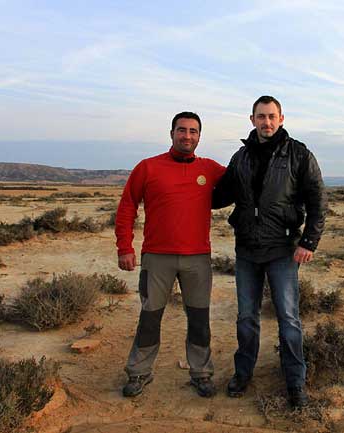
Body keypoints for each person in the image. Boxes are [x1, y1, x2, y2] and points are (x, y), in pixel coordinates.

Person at [213, 96, 326, 408]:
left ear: (281, 118)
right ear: (252, 119)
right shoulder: (241, 157)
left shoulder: (299, 155)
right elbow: (219, 195)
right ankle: (243, 373)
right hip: (247, 250)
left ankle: (295, 384)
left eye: (272, 116)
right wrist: (187, 185)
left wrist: (309, 242)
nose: (267, 122)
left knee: (288, 318)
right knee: (246, 317)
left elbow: (317, 200)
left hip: (282, 250)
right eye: (261, 117)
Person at [115, 112, 225, 398]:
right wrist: (124, 247)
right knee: (150, 317)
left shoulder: (210, 169)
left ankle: (201, 373)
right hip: (156, 258)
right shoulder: (148, 167)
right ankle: (139, 372)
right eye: (182, 130)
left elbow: (243, 183)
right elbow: (127, 206)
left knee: (199, 320)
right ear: (172, 133)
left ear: (199, 136)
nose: (187, 136)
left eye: (193, 131)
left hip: (197, 259)